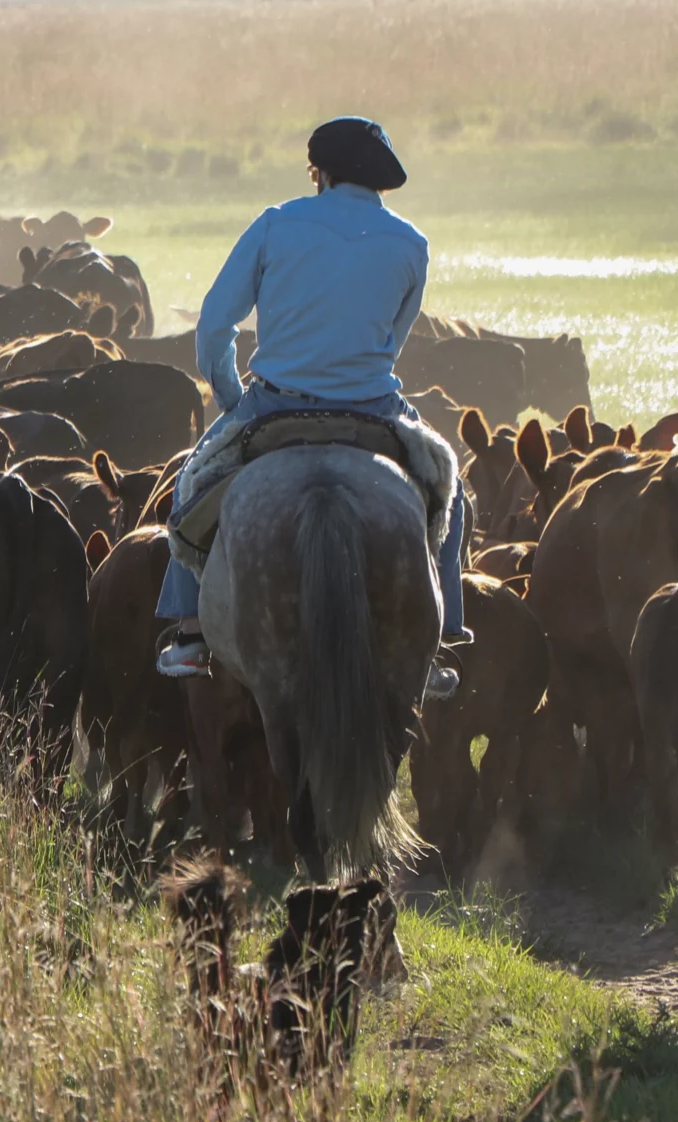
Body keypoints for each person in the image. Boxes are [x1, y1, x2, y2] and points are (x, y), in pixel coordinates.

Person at [154, 117, 472, 699]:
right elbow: (391, 343)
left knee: (192, 484)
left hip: (277, 402)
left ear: (319, 174)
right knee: (449, 495)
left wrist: (233, 401)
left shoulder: (276, 225)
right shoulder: (411, 244)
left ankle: (191, 631)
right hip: (374, 406)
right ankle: (439, 638)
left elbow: (214, 328)